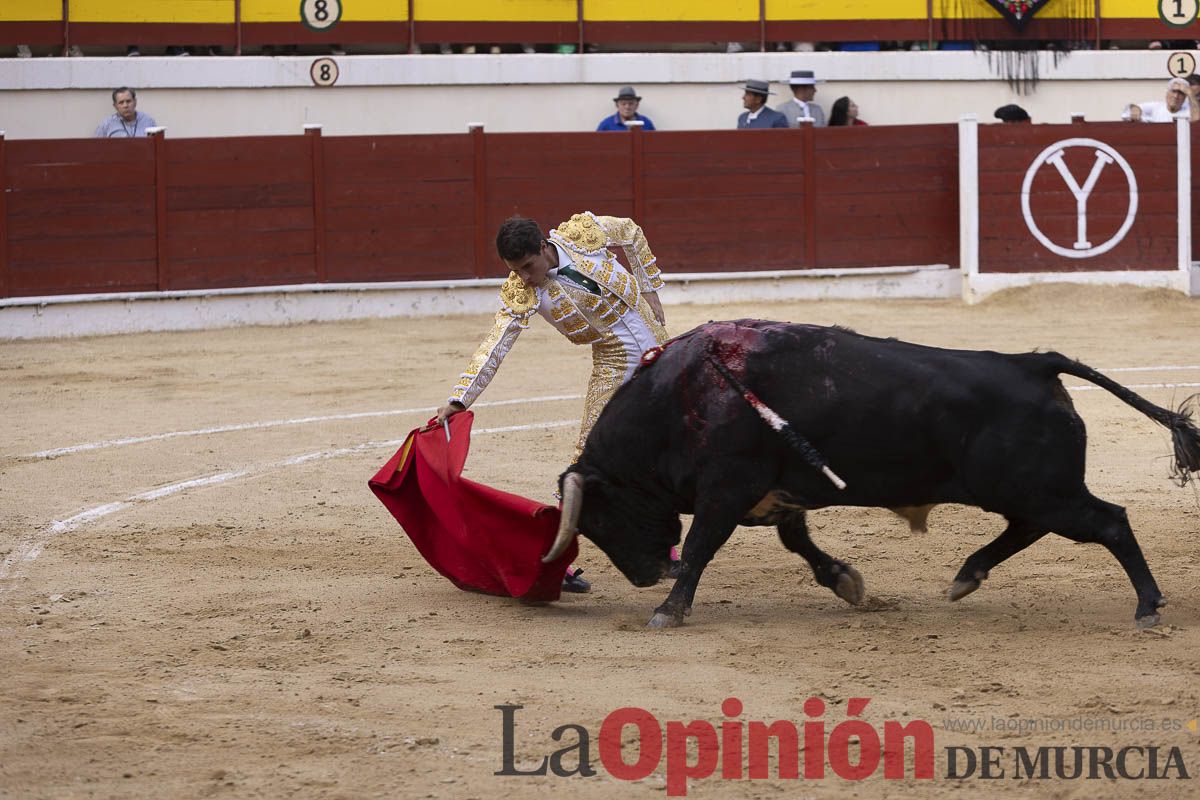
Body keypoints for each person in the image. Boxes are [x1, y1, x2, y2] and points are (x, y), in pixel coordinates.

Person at [436, 213, 671, 593]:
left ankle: (664, 549)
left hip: (663, 353)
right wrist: (459, 399)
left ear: (544, 247)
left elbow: (630, 231)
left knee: (664, 449)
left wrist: (649, 288)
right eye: (515, 270)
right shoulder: (523, 293)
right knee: (586, 458)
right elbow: (495, 345)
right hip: (614, 364)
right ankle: (553, 557)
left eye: (528, 266)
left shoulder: (582, 235)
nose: (524, 277)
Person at [1122, 77, 1196, 122]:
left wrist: (1190, 94)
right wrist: (1134, 108)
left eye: (1180, 93)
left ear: (1185, 97)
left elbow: (1197, 122)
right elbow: (1126, 115)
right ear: (1167, 94)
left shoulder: (1188, 109)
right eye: (1173, 91)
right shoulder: (1156, 107)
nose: (1176, 96)